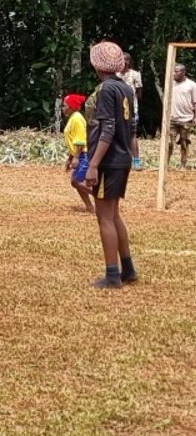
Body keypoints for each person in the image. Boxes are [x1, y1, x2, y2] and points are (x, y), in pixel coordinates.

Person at [84, 41, 138, 288]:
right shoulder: (126, 88)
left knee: (104, 216)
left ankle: (112, 275)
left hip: (109, 160)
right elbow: (130, 127)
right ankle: (128, 269)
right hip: (123, 157)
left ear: (97, 65)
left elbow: (108, 128)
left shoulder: (106, 90)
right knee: (114, 214)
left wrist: (94, 164)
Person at [62, 93, 94, 213]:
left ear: (71, 106)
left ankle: (103, 198)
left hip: (83, 155)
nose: (63, 108)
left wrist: (76, 157)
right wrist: (70, 158)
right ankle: (90, 207)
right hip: (79, 154)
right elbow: (74, 141)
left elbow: (80, 140)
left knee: (77, 181)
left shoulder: (77, 119)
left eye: (65, 106)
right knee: (77, 181)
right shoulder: (73, 118)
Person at [168, 63, 196, 170]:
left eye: (177, 71)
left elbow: (195, 102)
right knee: (169, 143)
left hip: (186, 118)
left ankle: (183, 164)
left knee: (184, 142)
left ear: (183, 72)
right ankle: (166, 164)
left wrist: (195, 118)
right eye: (174, 71)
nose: (174, 73)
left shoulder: (192, 85)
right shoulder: (170, 83)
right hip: (172, 118)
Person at [120, 54, 143, 170]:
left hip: (132, 110)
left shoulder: (135, 74)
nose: (124, 62)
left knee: (132, 134)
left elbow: (139, 92)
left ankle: (136, 161)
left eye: (126, 60)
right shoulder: (116, 74)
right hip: (117, 109)